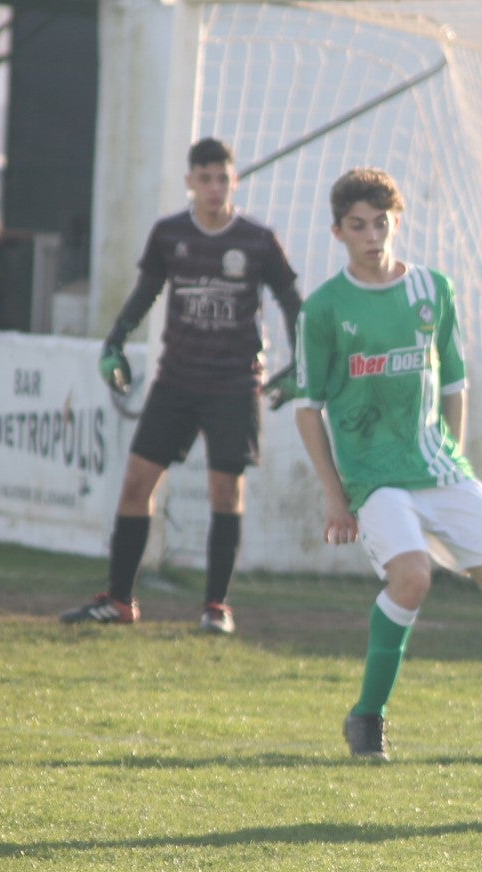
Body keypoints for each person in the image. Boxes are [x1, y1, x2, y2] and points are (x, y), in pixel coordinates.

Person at [289, 167, 482, 765]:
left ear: (396, 222)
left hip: (441, 467)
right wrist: (335, 495)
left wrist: (456, 458)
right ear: (338, 232)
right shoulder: (323, 309)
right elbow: (308, 408)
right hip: (373, 477)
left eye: (381, 223)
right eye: (358, 226)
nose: (372, 236)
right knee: (413, 578)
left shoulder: (434, 289)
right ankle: (367, 717)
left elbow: (454, 384)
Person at [60, 138, 302, 634]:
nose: (214, 188)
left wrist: (304, 363)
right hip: (177, 379)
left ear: (234, 181)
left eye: (222, 178)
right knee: (136, 485)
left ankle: (216, 607)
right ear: (190, 181)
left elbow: (292, 301)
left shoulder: (258, 240)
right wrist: (115, 341)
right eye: (205, 178)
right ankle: (119, 600)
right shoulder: (169, 234)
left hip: (234, 384)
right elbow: (146, 293)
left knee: (225, 493)